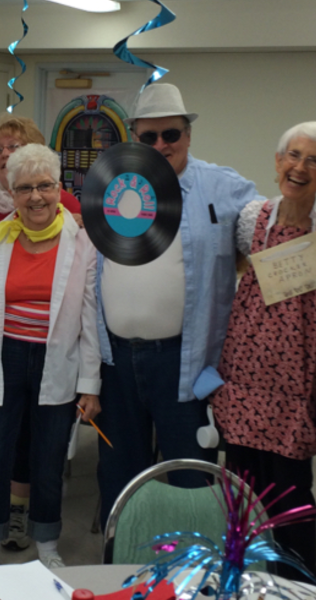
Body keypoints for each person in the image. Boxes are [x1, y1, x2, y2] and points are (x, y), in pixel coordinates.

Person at [95, 82, 257, 528]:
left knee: (191, 477)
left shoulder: (221, 185)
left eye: (171, 134)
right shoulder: (111, 187)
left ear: (188, 135)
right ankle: (120, 560)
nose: (161, 145)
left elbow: (269, 228)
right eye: (149, 137)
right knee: (119, 476)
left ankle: (191, 565)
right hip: (115, 362)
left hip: (184, 362)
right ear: (134, 138)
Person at [0, 143, 101, 581]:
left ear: (59, 188)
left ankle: (47, 548)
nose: (36, 197)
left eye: (45, 186)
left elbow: (90, 318)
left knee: (48, 461)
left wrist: (90, 384)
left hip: (57, 362)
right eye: (24, 188)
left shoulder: (83, 242)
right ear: (11, 193)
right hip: (3, 359)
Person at [211, 122, 316, 579]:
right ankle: (240, 584)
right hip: (245, 382)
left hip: (297, 392)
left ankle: (297, 589)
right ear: (277, 162)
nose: (299, 167)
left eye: (314, 160)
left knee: (290, 499)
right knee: (241, 495)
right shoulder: (253, 219)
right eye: (293, 155)